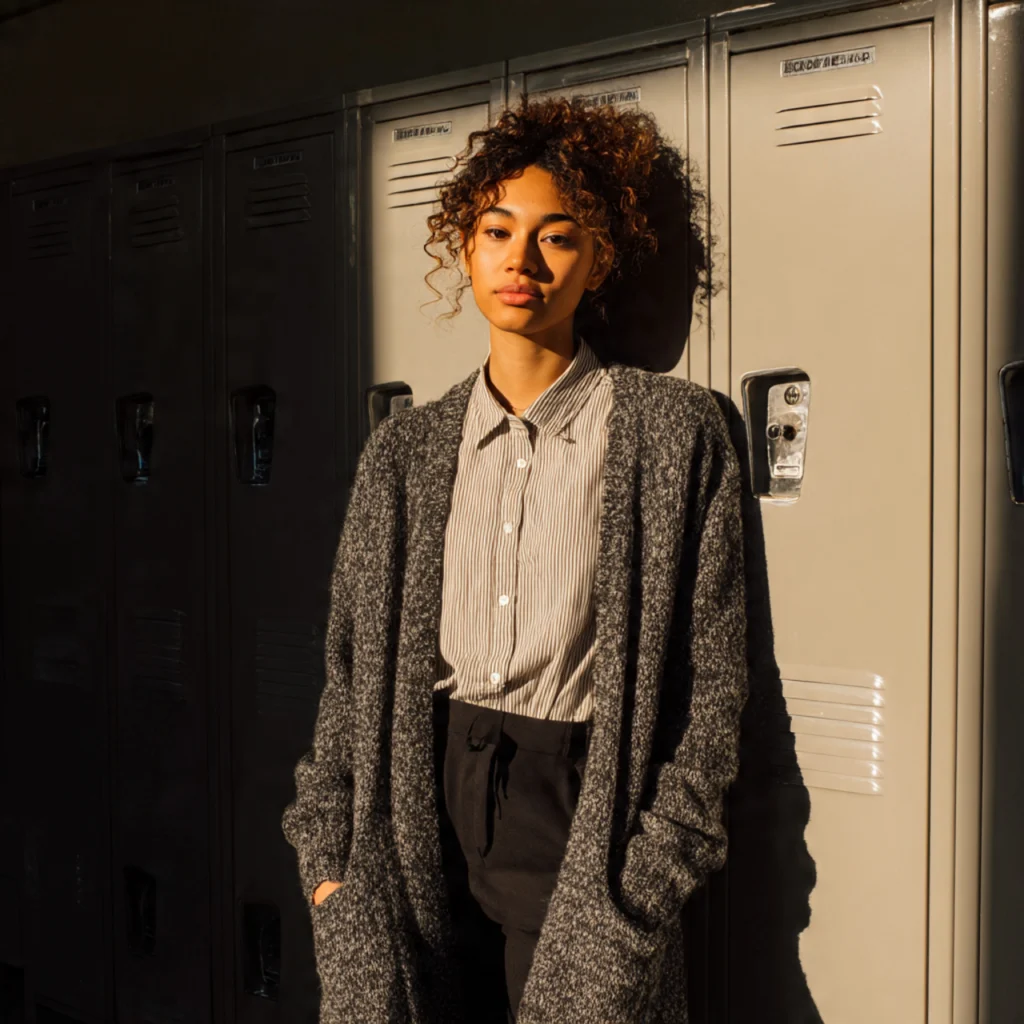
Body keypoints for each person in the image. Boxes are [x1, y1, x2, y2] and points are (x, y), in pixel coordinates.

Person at [281, 95, 748, 1024]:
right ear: (465, 247)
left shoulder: (673, 432)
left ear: (599, 259)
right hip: (420, 802)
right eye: (497, 231)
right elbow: (348, 677)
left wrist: (637, 897)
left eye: (557, 237)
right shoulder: (405, 452)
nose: (522, 262)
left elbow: (712, 696)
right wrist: (330, 870)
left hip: (579, 816)